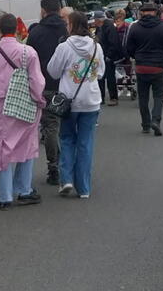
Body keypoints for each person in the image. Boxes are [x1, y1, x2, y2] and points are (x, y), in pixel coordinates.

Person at [0, 13, 45, 210]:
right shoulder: (28, 52)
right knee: (26, 144)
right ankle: (24, 189)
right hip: (22, 104)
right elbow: (36, 81)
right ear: (17, 29)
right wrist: (39, 100)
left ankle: (4, 196)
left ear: (0, 30)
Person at [47, 11, 105, 198]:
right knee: (85, 143)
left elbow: (53, 72)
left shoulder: (64, 47)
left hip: (69, 101)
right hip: (91, 100)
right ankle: (84, 188)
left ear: (71, 25)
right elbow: (101, 72)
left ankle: (67, 179)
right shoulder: (96, 47)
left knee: (67, 139)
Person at [26, 0, 68, 185]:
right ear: (59, 10)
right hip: (67, 85)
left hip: (44, 85)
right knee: (67, 126)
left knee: (50, 127)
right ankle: (69, 165)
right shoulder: (67, 29)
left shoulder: (36, 32)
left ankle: (54, 167)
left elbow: (28, 59)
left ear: (43, 10)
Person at [125, 1, 163, 136]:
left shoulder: (135, 28)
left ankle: (146, 124)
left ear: (142, 12)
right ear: (155, 12)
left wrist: (136, 55)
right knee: (158, 96)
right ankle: (156, 120)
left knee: (143, 97)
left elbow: (128, 48)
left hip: (141, 66)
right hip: (158, 66)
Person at [93, 10, 123, 106]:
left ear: (98, 20)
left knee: (110, 77)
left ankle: (113, 98)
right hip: (100, 55)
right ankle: (101, 97)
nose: (94, 22)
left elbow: (113, 42)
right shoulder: (100, 27)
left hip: (108, 56)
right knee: (100, 77)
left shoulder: (109, 27)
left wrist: (109, 55)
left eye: (95, 19)